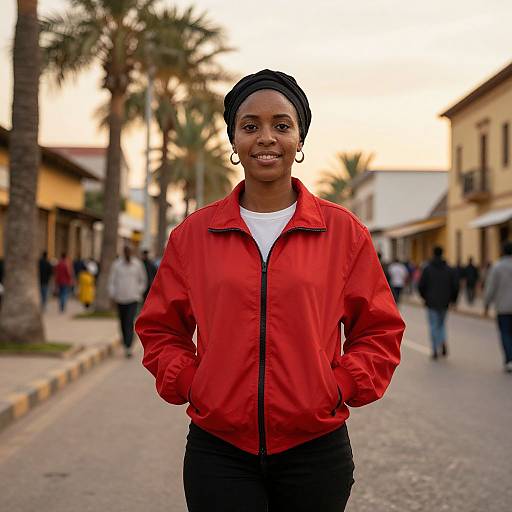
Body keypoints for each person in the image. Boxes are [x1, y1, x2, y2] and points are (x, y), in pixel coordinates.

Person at [135, 69, 405, 512]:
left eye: (282, 125)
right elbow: (160, 328)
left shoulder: (343, 232)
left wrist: (337, 386)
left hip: (315, 449)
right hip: (218, 450)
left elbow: (379, 330)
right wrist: (192, 381)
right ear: (233, 140)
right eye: (250, 125)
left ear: (300, 141)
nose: (266, 137)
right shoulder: (193, 235)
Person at [418, 246, 459, 359]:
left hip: (431, 301)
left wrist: (424, 297)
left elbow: (421, 285)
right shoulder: (449, 269)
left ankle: (435, 348)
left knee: (433, 325)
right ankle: (442, 341)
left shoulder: (427, 269)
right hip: (445, 302)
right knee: (441, 325)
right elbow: (455, 286)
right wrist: (453, 300)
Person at [108, 246, 147, 358]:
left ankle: (128, 346)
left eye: (129, 251)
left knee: (129, 321)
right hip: (120, 298)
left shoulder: (137, 265)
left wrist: (138, 292)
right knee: (122, 322)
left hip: (133, 298)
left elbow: (143, 280)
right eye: (125, 252)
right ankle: (126, 342)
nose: (127, 254)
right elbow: (112, 281)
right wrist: (113, 295)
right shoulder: (117, 265)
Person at [484, 241, 512, 372]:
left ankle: (509, 359)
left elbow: (490, 288)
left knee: (505, 333)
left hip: (503, 307)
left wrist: (486, 305)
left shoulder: (497, 267)